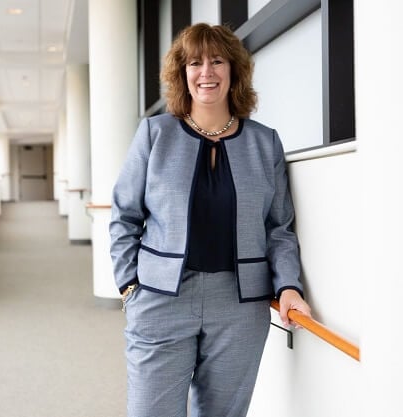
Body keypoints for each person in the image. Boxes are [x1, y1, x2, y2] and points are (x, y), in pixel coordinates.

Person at [109, 23, 312, 417]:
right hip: (160, 297)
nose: (207, 72)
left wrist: (288, 285)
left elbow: (279, 228)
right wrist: (129, 285)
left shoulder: (263, 141)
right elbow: (125, 215)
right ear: (182, 74)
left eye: (217, 61)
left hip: (239, 307)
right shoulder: (155, 134)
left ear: (234, 70)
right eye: (196, 63)